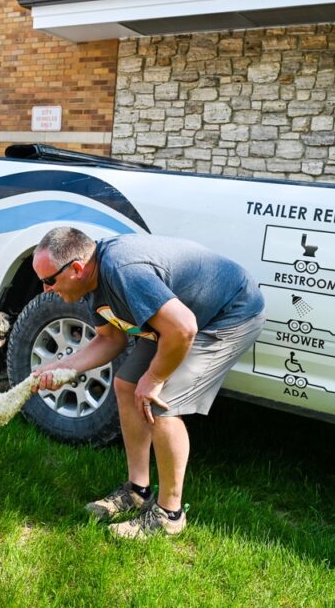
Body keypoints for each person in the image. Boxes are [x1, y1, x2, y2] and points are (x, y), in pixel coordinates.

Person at [31, 227, 265, 539]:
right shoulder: (94, 280)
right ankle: (136, 490)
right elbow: (110, 339)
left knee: (160, 402)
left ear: (76, 268)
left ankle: (169, 516)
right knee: (127, 385)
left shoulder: (122, 270)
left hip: (228, 313)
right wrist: (63, 367)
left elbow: (183, 328)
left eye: (49, 280)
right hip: (179, 322)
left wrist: (155, 379)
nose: (45, 289)